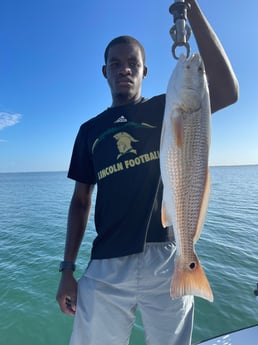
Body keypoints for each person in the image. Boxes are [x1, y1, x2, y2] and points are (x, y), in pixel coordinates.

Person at [56, 1, 239, 344]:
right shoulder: (89, 131)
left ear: (144, 71)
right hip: (106, 263)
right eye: (115, 64)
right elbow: (81, 201)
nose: (124, 69)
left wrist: (193, 11)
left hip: (167, 256)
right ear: (105, 72)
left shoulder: (165, 109)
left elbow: (227, 90)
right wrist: (67, 270)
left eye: (133, 64)